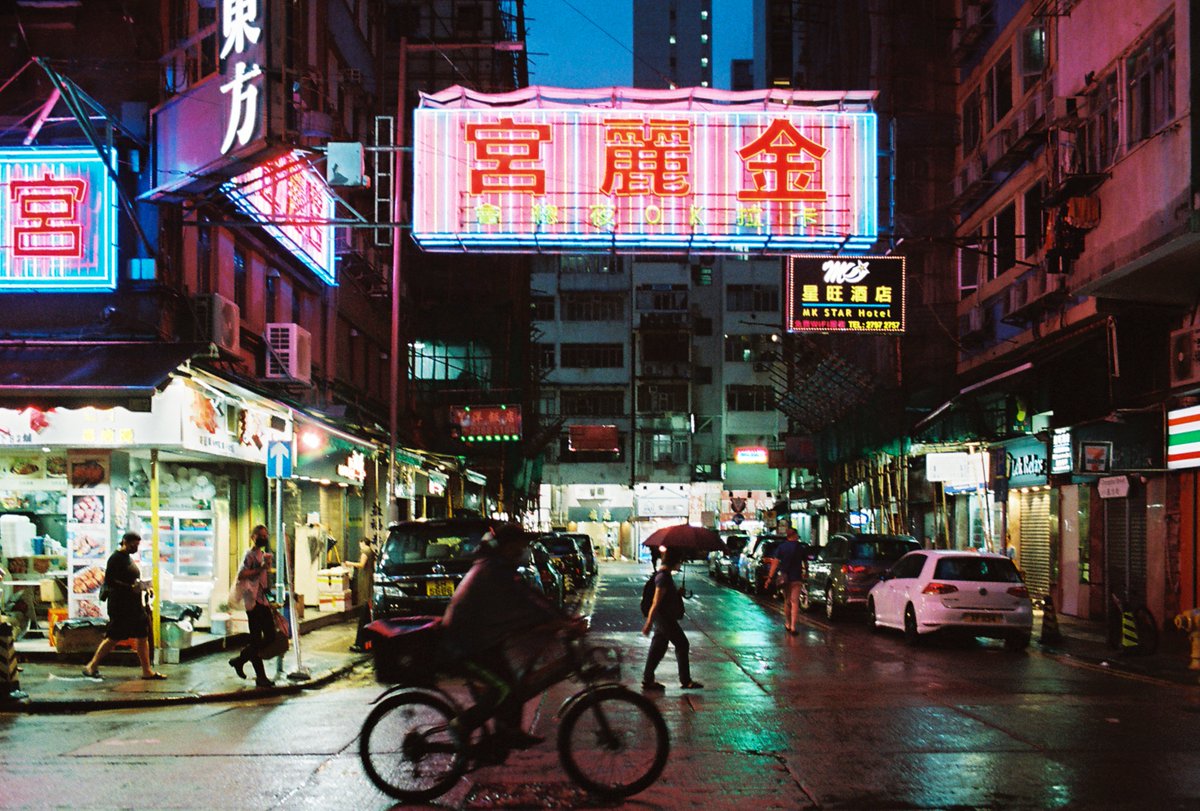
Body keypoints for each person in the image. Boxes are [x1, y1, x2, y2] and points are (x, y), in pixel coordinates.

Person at [441, 522, 583, 749]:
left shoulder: (497, 566)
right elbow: (527, 602)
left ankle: (508, 731)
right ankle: (462, 724)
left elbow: (530, 597)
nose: (522, 550)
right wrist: (562, 620)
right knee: (503, 688)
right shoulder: (493, 570)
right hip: (465, 645)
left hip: (484, 640)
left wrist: (561, 618)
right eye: (519, 545)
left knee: (515, 680)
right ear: (505, 546)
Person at [82, 532, 167, 681]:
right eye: (134, 544)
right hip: (120, 605)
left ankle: (147, 670)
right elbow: (109, 581)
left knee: (142, 635)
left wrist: (144, 587)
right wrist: (130, 587)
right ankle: (91, 666)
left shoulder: (127, 558)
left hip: (133, 605)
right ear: (125, 542)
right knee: (114, 636)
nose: (136, 548)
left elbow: (131, 578)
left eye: (138, 545)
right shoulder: (115, 558)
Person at [641, 546, 703, 691]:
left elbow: (666, 598)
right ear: (674, 561)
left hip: (663, 618)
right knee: (682, 644)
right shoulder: (663, 577)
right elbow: (656, 602)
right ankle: (686, 680)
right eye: (680, 561)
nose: (680, 564)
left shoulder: (665, 576)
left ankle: (648, 679)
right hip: (664, 618)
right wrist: (649, 623)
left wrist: (677, 594)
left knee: (658, 648)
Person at [228, 524, 277, 688]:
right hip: (253, 603)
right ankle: (261, 677)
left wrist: (271, 600)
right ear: (253, 537)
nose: (264, 538)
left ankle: (241, 659)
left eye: (266, 535)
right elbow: (242, 574)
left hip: (262, 601)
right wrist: (260, 568)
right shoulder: (249, 556)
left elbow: (264, 582)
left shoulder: (263, 555)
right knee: (257, 639)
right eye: (261, 535)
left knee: (270, 636)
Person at [773, 522, 810, 635]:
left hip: (785, 578)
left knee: (787, 601)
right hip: (796, 578)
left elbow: (775, 562)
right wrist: (806, 572)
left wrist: (770, 577)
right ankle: (793, 627)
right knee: (795, 602)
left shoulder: (782, 547)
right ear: (794, 535)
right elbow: (805, 562)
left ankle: (788, 623)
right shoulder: (800, 548)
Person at [345, 536, 377, 653]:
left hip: (365, 581)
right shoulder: (372, 552)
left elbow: (361, 564)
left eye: (360, 544)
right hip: (370, 580)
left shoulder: (365, 551)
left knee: (365, 606)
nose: (359, 547)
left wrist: (350, 563)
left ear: (363, 543)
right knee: (368, 604)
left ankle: (361, 643)